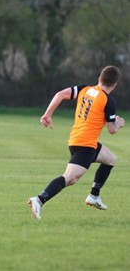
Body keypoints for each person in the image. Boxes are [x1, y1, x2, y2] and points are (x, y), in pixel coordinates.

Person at [28, 65, 125, 220]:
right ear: (115, 85)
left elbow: (60, 94)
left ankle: (94, 196)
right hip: (84, 146)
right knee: (70, 178)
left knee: (110, 159)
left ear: (99, 78)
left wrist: (48, 114)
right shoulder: (108, 100)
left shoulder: (84, 89)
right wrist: (119, 122)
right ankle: (39, 199)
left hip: (81, 140)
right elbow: (112, 129)